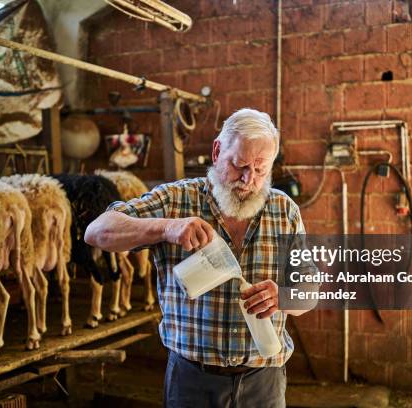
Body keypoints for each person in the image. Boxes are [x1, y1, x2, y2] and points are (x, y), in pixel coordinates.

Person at [85, 108, 315, 407]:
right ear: (217, 151)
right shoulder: (176, 199)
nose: (248, 180)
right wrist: (167, 227)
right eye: (240, 165)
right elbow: (97, 232)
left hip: (264, 383)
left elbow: (310, 292)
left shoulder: (284, 211)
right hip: (192, 381)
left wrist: (283, 297)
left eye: (261, 171)